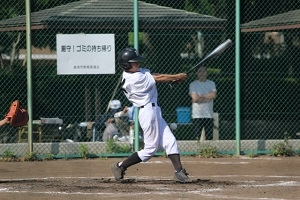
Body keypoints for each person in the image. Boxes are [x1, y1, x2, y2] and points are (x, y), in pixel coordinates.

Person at [111, 47, 191, 183]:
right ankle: (120, 166)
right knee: (149, 150)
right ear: (126, 65)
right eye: (134, 62)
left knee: (170, 141)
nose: (138, 63)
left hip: (154, 111)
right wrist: (177, 76)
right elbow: (158, 78)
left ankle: (179, 172)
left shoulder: (134, 73)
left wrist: (172, 79)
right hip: (147, 113)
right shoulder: (133, 78)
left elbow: (154, 76)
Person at [189, 66, 217, 140]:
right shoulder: (193, 84)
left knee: (209, 138)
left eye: (204, 71)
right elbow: (195, 99)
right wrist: (208, 97)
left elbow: (213, 95)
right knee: (196, 138)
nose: (202, 73)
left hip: (209, 115)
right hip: (197, 116)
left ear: (206, 72)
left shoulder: (211, 83)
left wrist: (200, 97)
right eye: (200, 71)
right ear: (197, 73)